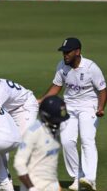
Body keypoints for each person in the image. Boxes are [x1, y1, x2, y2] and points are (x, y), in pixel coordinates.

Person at [38, 37, 107, 191]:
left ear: (77, 52)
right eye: (63, 52)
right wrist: (42, 100)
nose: (65, 55)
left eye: (68, 52)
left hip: (89, 107)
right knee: (67, 141)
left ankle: (90, 178)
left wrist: (101, 107)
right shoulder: (62, 66)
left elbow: (102, 89)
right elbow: (57, 86)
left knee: (87, 139)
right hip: (69, 106)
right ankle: (77, 177)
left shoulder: (91, 67)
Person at [14, 95, 70, 191]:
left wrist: (56, 185)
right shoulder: (33, 132)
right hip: (34, 184)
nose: (58, 124)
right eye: (55, 121)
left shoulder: (55, 131)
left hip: (52, 184)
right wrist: (31, 188)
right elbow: (19, 164)